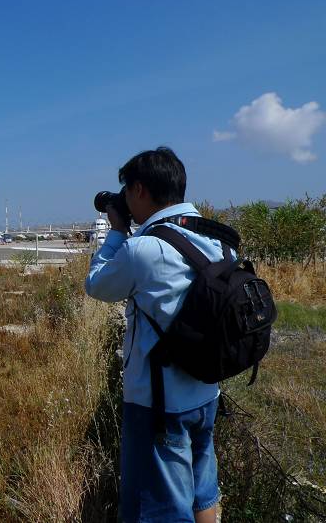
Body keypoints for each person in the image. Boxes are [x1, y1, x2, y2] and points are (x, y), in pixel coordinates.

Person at [85, 147, 224, 522]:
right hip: (207, 390)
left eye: (127, 192)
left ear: (139, 190)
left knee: (160, 510)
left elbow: (97, 285)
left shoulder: (144, 248)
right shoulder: (214, 238)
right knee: (203, 491)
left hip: (158, 404)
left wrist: (117, 232)